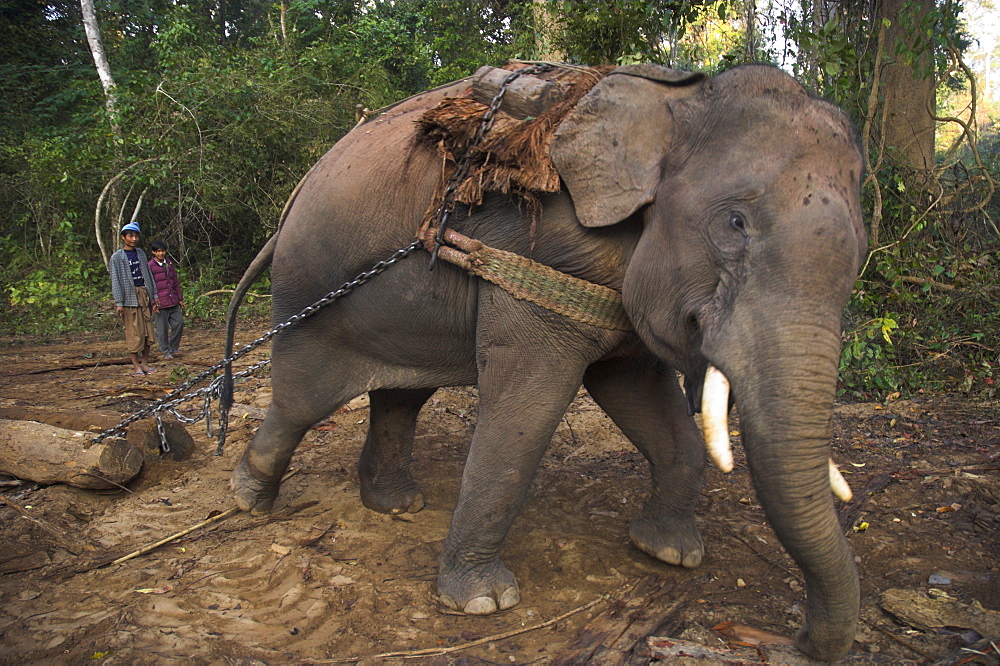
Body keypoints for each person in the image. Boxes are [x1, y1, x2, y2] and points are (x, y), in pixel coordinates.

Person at [109, 222, 160, 376]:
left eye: (136, 235)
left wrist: (154, 295)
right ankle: (136, 366)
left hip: (144, 296)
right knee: (134, 334)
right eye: (130, 235)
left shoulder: (141, 254)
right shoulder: (117, 258)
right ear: (123, 237)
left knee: (147, 332)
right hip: (129, 299)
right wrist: (119, 302)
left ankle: (144, 363)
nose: (134, 238)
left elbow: (149, 276)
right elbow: (115, 281)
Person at [148, 240, 184, 359]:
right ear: (153, 252)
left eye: (163, 251)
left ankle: (173, 348)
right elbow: (149, 285)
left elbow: (175, 282)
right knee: (162, 329)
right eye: (158, 251)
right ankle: (164, 350)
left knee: (179, 323)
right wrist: (153, 302)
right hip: (160, 302)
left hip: (172, 300)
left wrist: (179, 298)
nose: (161, 253)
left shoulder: (169, 264)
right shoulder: (150, 267)